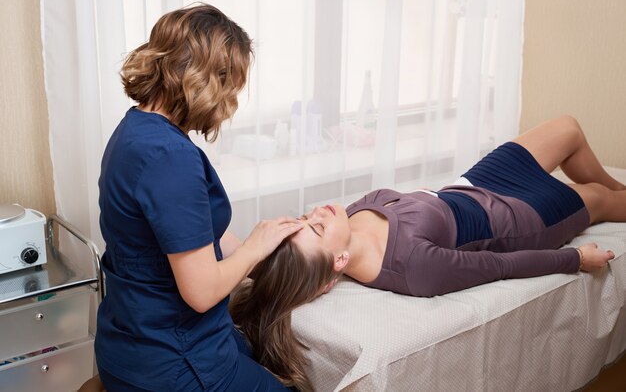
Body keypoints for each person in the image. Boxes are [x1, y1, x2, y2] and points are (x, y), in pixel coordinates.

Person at [229, 115, 625, 391]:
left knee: (568, 129)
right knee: (602, 199)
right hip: (519, 218)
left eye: (304, 216)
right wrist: (575, 259)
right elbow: (500, 265)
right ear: (338, 265)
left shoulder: (348, 220)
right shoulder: (413, 267)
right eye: (315, 227)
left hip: (474, 183)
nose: (318, 211)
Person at [95, 4, 303, 392]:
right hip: (172, 363)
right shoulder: (169, 158)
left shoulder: (135, 130)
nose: (230, 101)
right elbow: (203, 291)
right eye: (231, 85)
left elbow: (192, 234)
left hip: (127, 343)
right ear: (208, 80)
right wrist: (256, 246)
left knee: (253, 352)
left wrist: (269, 261)